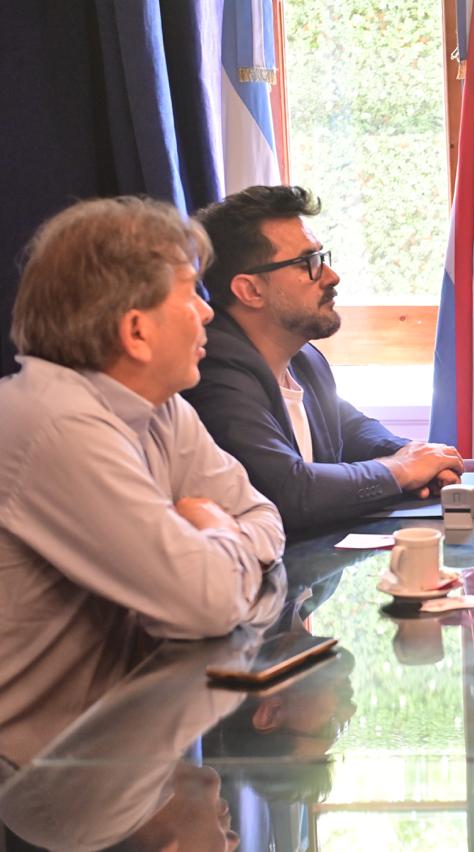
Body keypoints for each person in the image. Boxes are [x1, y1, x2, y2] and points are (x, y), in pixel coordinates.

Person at [0, 197, 287, 761]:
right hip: (34, 782)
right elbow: (206, 603)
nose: (207, 313)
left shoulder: (162, 408)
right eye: (191, 293)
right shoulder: (57, 424)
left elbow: (264, 516)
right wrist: (219, 529)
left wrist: (216, 539)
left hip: (116, 747)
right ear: (136, 331)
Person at [185, 186, 463, 532]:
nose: (331, 277)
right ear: (251, 290)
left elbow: (350, 427)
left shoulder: (303, 358)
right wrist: (401, 470)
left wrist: (417, 456)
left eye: (321, 257)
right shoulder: (212, 370)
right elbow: (290, 492)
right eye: (308, 263)